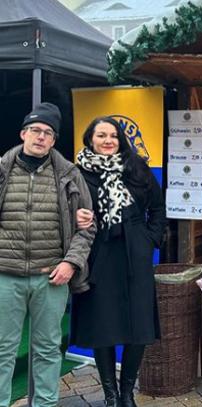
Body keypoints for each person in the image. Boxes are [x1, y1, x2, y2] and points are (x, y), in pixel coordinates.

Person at [0, 103, 96, 407]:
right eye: (36, 130)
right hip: (6, 276)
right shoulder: (2, 171)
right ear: (23, 133)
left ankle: (44, 404)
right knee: (2, 349)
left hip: (51, 277)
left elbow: (87, 227)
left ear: (54, 141)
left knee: (47, 348)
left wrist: (71, 263)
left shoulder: (69, 174)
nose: (41, 137)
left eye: (48, 133)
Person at [70, 116, 167, 407]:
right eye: (101, 135)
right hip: (99, 253)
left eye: (113, 135)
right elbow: (66, 208)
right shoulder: (79, 173)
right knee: (104, 325)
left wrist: (150, 238)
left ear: (120, 139)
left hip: (135, 251)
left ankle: (127, 393)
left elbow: (158, 207)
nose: (108, 140)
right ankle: (110, 395)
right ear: (90, 139)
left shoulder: (137, 167)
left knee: (139, 325)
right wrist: (76, 218)